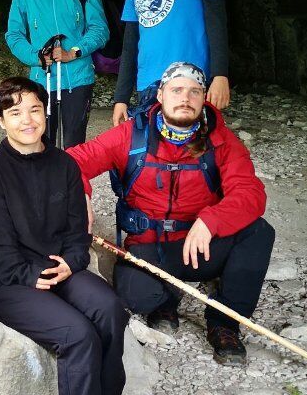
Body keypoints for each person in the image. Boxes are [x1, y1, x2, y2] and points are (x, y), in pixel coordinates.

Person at [0, 77, 128, 395]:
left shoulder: (63, 165)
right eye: (16, 112)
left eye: (35, 110)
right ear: (0, 120)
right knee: (77, 334)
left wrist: (72, 264)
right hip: (11, 282)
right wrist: (35, 275)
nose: (27, 120)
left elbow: (79, 232)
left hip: (61, 268)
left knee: (110, 309)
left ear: (46, 113)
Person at [69, 62, 274, 366]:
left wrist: (211, 220)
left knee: (259, 232)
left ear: (204, 98)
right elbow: (70, 163)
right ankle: (166, 299)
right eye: (177, 90)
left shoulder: (222, 141)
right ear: (161, 95)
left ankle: (225, 322)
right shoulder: (131, 136)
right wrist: (81, 195)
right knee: (136, 297)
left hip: (200, 248)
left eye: (194, 91)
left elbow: (250, 193)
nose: (185, 98)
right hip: (148, 249)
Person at [5, 0, 109, 148]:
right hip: (43, 78)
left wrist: (74, 52)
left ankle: (71, 182)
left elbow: (100, 29)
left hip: (78, 78)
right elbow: (14, 35)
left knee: (74, 144)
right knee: (41, 142)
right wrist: (38, 57)